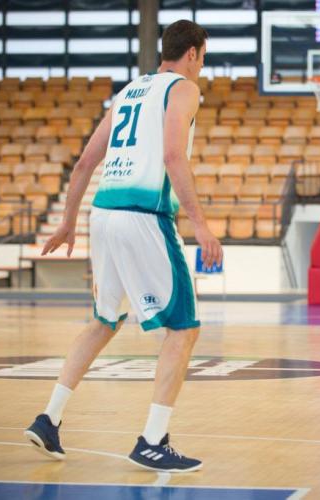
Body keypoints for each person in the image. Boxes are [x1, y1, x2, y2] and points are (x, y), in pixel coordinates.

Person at [24, 19, 222, 472]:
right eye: (203, 58)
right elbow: (172, 156)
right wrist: (201, 225)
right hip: (143, 216)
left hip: (103, 213)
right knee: (184, 329)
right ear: (192, 53)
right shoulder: (184, 89)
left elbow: (84, 163)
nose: (201, 66)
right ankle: (152, 440)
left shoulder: (130, 90)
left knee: (103, 321)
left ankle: (49, 419)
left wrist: (69, 222)